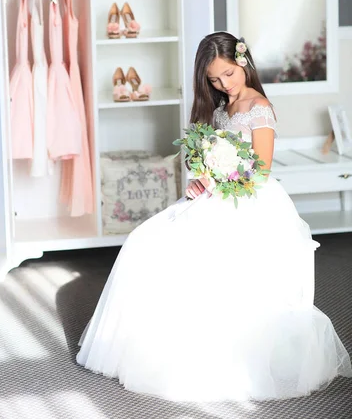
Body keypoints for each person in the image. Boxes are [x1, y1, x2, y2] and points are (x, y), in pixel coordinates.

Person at [76, 32, 352, 401]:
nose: (223, 84)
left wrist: (218, 177)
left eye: (229, 74)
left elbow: (261, 170)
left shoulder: (259, 107)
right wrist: (201, 178)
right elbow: (208, 156)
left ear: (244, 63)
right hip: (218, 191)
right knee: (144, 241)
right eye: (214, 80)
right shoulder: (222, 107)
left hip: (248, 199)